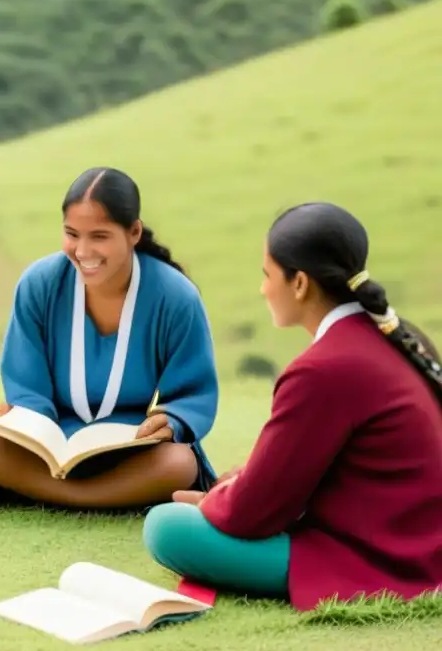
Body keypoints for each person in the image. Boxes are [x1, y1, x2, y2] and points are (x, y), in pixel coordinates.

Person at [143, 202, 442, 611]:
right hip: (420, 538)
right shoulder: (396, 334)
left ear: (299, 283)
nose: (263, 288)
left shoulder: (322, 369)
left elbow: (251, 514)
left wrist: (214, 502)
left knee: (166, 528)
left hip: (388, 558)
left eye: (268, 275)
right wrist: (234, 488)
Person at [0, 167, 219, 510]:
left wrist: (173, 420)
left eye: (99, 236)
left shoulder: (175, 297)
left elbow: (193, 392)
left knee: (179, 463)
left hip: (131, 445)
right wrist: (26, 421)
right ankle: (105, 499)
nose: (83, 251)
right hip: (51, 440)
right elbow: (26, 383)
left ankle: (59, 497)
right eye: (72, 234)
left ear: (133, 232)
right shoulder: (39, 284)